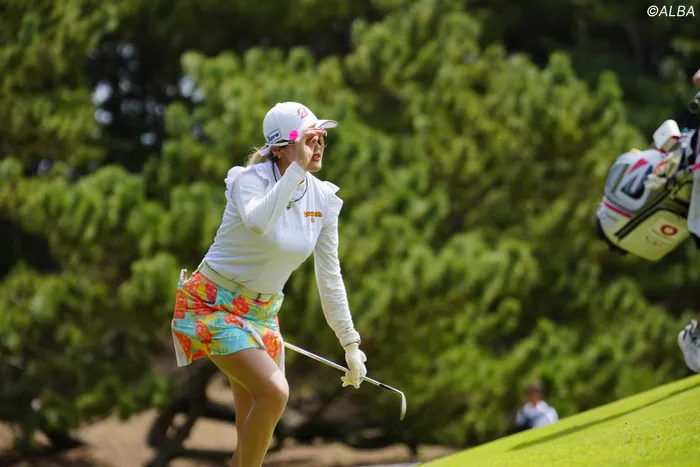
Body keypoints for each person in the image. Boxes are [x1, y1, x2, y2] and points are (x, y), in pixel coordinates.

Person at [170, 102, 368, 467]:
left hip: (262, 314)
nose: (318, 146)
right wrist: (297, 171)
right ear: (279, 148)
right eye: (308, 139)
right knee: (275, 393)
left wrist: (350, 342)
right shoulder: (248, 181)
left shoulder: (323, 199)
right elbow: (260, 222)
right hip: (211, 305)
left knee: (250, 436)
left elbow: (330, 276)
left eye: (320, 138)